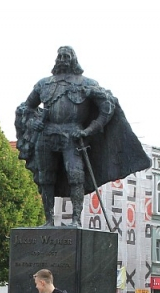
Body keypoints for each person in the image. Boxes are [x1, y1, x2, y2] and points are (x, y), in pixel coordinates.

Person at [14, 46, 151, 227]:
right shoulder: (43, 84)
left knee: (76, 176)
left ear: (73, 59)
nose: (62, 59)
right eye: (60, 56)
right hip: (46, 136)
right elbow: (27, 107)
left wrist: (90, 130)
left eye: (66, 56)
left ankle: (76, 220)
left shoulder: (86, 83)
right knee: (45, 178)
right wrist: (32, 122)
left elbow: (107, 107)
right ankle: (48, 221)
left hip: (72, 136)